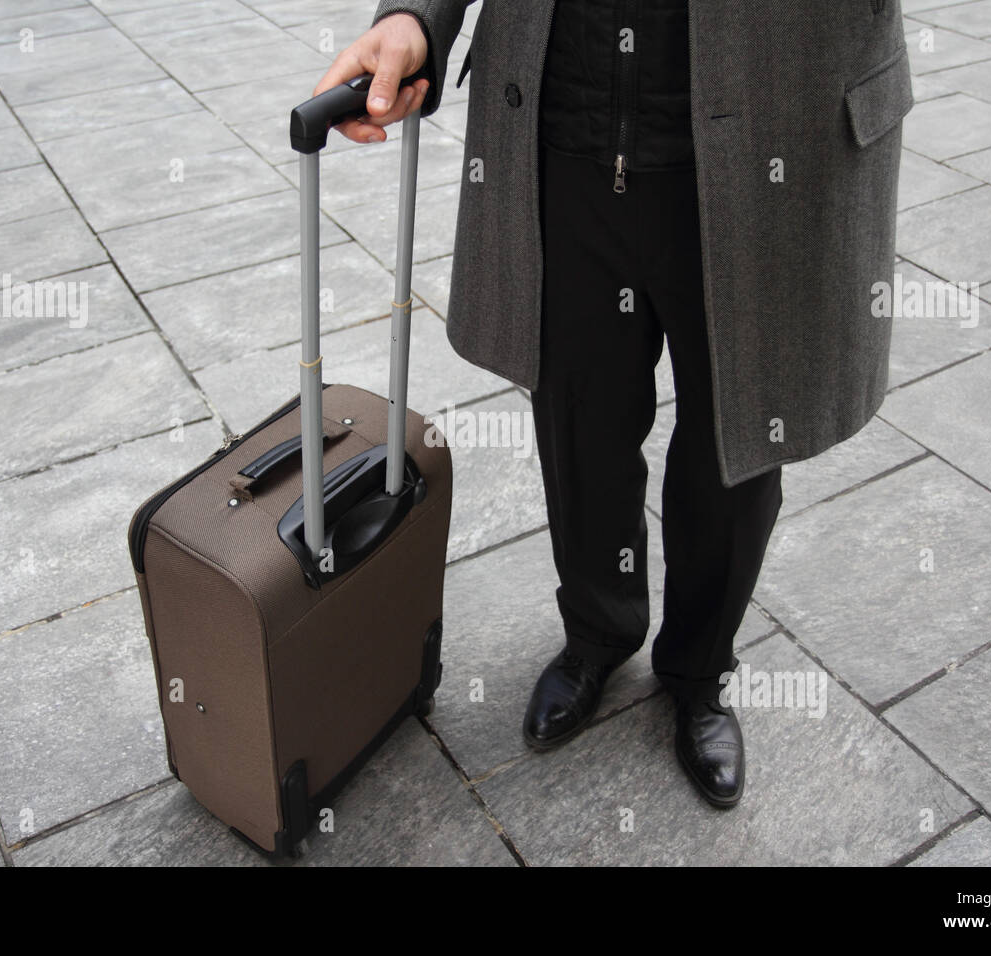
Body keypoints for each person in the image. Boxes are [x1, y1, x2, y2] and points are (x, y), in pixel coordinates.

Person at [313, 0, 913, 808]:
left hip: (775, 132)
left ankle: (700, 670)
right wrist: (417, 16)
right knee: (580, 419)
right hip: (569, 124)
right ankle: (598, 632)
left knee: (739, 431)